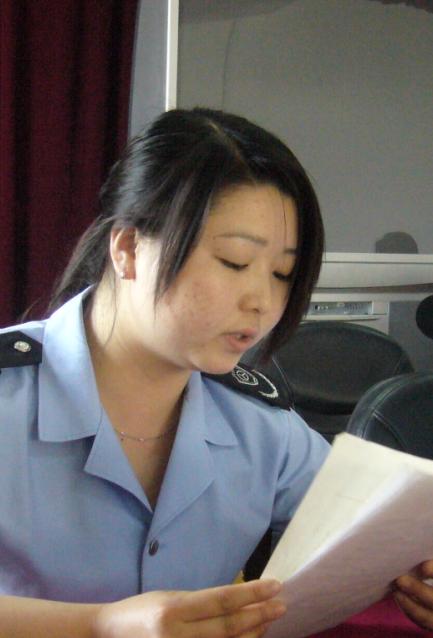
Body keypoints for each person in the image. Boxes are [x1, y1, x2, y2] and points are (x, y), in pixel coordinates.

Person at [0, 108, 431, 637]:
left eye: (283, 273)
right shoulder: (9, 400)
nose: (262, 301)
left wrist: (416, 570)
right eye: (233, 262)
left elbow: (373, 530)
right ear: (129, 248)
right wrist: (100, 626)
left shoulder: (260, 426)